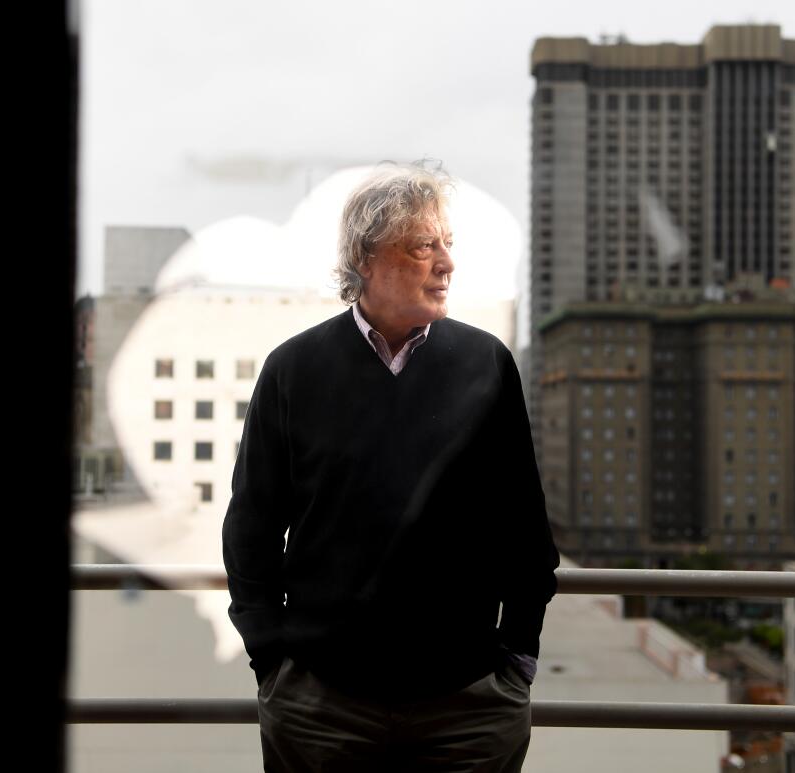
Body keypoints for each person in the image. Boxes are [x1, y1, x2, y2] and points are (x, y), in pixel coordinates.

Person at [222, 161, 559, 773]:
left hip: (469, 707)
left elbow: (525, 526)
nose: (447, 263)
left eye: (447, 245)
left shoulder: (487, 365)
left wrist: (520, 655)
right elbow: (252, 529)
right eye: (424, 246)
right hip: (322, 708)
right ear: (367, 257)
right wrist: (271, 659)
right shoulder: (292, 370)